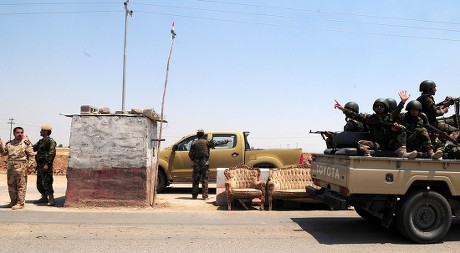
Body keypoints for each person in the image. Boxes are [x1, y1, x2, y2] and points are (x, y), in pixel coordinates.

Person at [335, 91, 417, 158]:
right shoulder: (370, 118)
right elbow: (356, 116)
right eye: (377, 106)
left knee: (401, 128)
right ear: (374, 108)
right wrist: (343, 109)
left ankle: (402, 153)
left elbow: (397, 111)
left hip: (391, 143)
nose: (379, 107)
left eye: (381, 106)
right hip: (378, 144)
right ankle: (367, 155)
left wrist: (402, 102)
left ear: (385, 107)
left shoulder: (390, 118)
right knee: (361, 142)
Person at [0, 127, 35, 210]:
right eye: (18, 132)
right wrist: (0, 145)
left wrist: (30, 167)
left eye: (21, 132)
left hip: (21, 167)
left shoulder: (26, 143)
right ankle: (13, 202)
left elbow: (31, 155)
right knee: (11, 185)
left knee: (21, 186)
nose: (20, 134)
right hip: (10, 167)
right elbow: (4, 153)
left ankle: (20, 203)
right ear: (14, 133)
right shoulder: (9, 143)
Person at [188, 129, 229, 200]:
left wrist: (194, 161)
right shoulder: (207, 142)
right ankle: (205, 196)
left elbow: (190, 154)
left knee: (195, 180)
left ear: (197, 135)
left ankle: (194, 196)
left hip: (196, 165)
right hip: (205, 164)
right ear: (203, 134)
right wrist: (226, 141)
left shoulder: (193, 143)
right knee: (205, 180)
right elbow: (217, 143)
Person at [31, 125, 57, 206]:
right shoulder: (41, 141)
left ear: (46, 131)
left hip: (46, 165)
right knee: (40, 182)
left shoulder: (50, 141)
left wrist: (47, 164)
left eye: (41, 130)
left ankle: (51, 198)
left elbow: (52, 153)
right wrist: (27, 141)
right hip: (40, 165)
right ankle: (44, 197)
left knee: (47, 182)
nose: (40, 132)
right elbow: (34, 148)